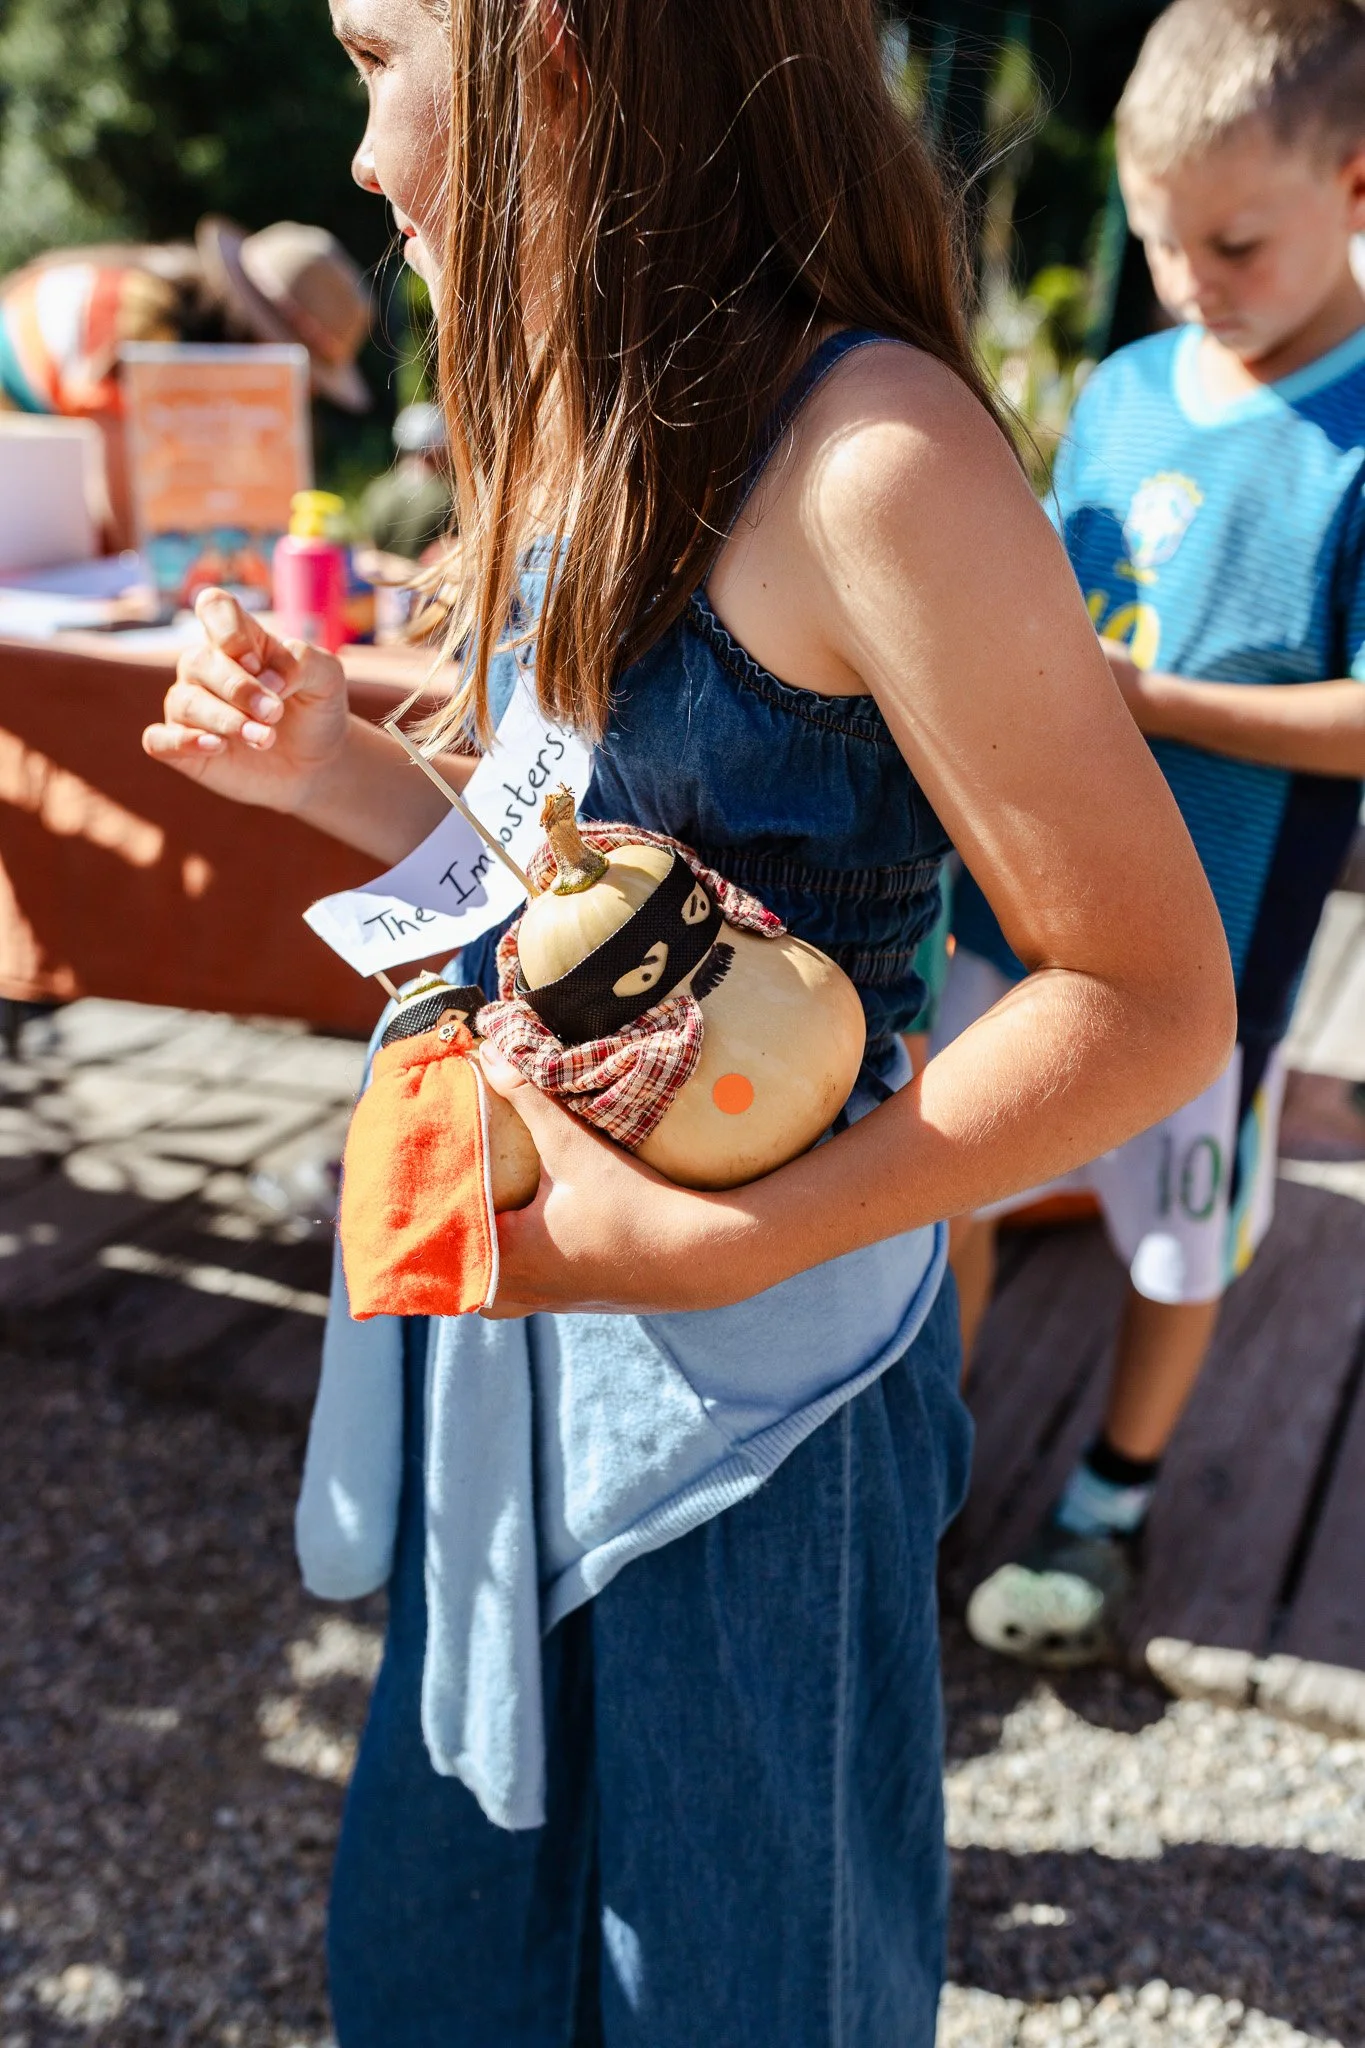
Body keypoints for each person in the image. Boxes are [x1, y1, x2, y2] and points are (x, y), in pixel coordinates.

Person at [141, 0, 1232, 2039]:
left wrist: (729, 1234)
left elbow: (1148, 999)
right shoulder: (578, 414)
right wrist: (338, 777)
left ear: (550, 48)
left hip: (769, 1433)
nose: (361, 152)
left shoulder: (872, 457)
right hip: (521, 1377)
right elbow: (551, 885)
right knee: (460, 1957)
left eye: (381, 56)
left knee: (744, 1987)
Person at [942, 0, 1365, 1669]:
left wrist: (1158, 703)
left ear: (1355, 185)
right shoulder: (1122, 387)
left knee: (1179, 1213)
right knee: (953, 1153)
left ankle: (1113, 1493)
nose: (1193, 278)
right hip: (1014, 896)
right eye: (1158, 241)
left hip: (1218, 936)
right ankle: (935, 1448)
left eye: (1236, 243)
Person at [0, 218, 371, 543]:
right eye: (305, 378)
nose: (303, 394)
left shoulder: (172, 303)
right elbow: (117, 494)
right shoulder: (143, 316)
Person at [358, 398, 454, 560]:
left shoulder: (377, 491)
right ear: (439, 445)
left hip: (384, 583)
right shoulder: (448, 496)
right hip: (430, 583)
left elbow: (367, 553)